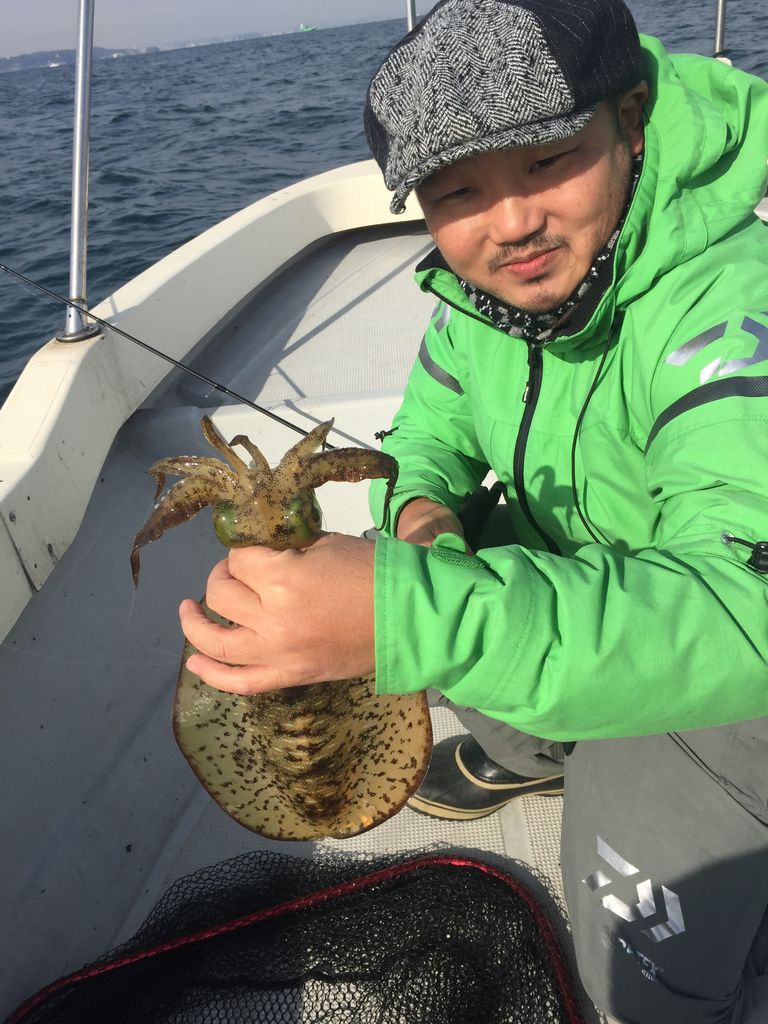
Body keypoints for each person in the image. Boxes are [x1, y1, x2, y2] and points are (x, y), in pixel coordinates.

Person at [179, 0, 768, 1020]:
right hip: (584, 588)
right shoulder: (494, 299)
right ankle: (543, 746)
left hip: (724, 681)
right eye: (458, 191)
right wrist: (420, 517)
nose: (511, 223)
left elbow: (740, 612)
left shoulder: (726, 312)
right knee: (420, 568)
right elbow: (428, 433)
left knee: (636, 980)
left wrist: (407, 614)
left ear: (630, 121)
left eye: (548, 162)